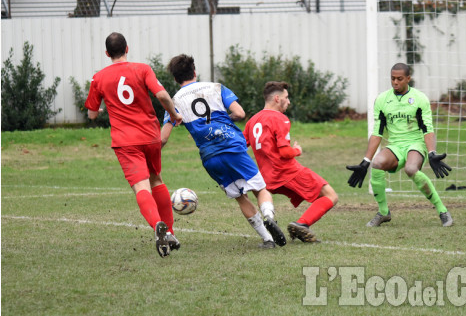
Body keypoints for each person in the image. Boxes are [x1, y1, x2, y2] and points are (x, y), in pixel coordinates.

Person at [160, 54, 286, 249]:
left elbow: (163, 138)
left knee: (239, 197)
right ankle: (269, 217)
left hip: (210, 156)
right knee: (259, 188)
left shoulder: (174, 101)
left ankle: (267, 239)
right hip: (232, 146)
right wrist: (224, 121)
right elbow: (240, 113)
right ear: (195, 72)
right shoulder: (216, 88)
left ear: (176, 79)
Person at [85, 32, 184, 257]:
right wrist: (174, 114)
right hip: (150, 136)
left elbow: (91, 114)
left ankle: (158, 226)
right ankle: (170, 232)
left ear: (107, 53)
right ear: (127, 49)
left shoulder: (98, 77)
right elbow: (162, 95)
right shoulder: (142, 69)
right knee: (156, 179)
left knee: (141, 187)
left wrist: (99, 111)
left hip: (125, 141)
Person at [346, 63, 454, 228]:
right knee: (377, 164)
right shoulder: (383, 99)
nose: (395, 82)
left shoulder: (419, 99)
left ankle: (442, 210)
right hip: (395, 145)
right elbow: (377, 132)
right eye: (392, 78)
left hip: (416, 144)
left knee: (411, 169)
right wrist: (365, 161)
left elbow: (427, 129)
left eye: (399, 79)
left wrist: (431, 152)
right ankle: (383, 212)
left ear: (408, 79)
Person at [244, 81, 338, 243]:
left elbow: (241, 146)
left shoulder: (252, 121)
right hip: (287, 172)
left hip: (268, 180)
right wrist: (297, 151)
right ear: (277, 98)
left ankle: (289, 223)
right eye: (286, 98)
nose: (289, 101)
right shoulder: (280, 119)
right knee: (330, 196)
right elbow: (285, 152)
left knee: (317, 196)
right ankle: (301, 224)